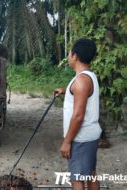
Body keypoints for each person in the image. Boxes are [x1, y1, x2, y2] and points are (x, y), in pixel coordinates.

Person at [54, 38, 102, 190]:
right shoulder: (89, 76)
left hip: (80, 138)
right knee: (90, 174)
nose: (68, 56)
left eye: (69, 53)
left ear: (75, 56)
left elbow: (78, 116)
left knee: (77, 180)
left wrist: (67, 141)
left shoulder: (80, 81)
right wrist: (65, 91)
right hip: (90, 135)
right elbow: (81, 94)